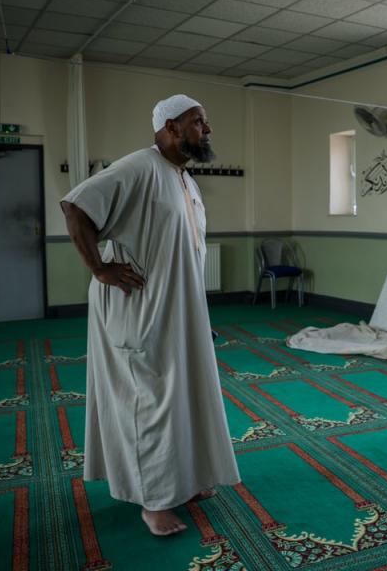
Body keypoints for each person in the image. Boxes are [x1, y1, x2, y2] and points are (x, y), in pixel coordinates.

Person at [60, 94, 240, 537]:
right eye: (199, 121)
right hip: (140, 312)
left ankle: (186, 481)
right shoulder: (138, 166)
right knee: (149, 403)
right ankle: (153, 503)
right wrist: (99, 268)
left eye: (206, 121)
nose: (208, 129)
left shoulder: (184, 179)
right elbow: (76, 206)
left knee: (183, 399)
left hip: (179, 315)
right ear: (171, 127)